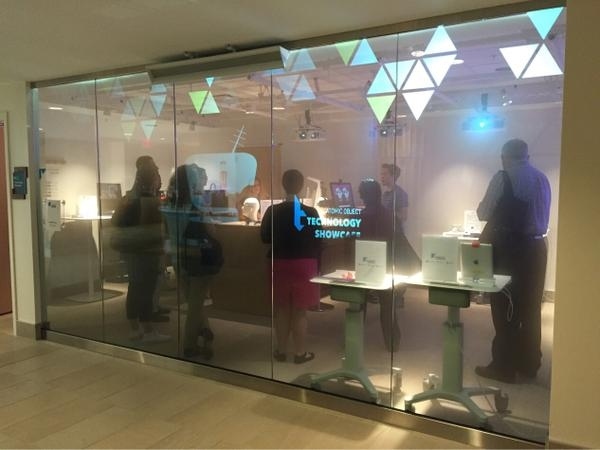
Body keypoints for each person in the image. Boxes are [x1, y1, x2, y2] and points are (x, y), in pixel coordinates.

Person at [475, 138, 551, 383]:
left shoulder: (503, 177)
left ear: (504, 157)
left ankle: (503, 367)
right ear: (527, 156)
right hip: (537, 248)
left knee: (504, 307)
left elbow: (483, 213)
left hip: (509, 250)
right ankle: (529, 363)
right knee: (531, 308)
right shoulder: (542, 178)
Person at [260, 169, 322, 364]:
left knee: (282, 309)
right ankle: (300, 353)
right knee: (300, 310)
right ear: (301, 186)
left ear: (283, 184)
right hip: (304, 263)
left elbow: (264, 238)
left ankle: (281, 351)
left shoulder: (273, 211)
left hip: (279, 262)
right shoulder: (311, 212)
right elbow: (318, 239)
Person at [111, 155, 169, 343]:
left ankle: (135, 328)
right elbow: (154, 232)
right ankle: (146, 329)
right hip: (145, 252)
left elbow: (116, 222)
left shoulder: (129, 197)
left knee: (135, 287)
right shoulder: (149, 200)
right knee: (145, 290)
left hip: (131, 250)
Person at [165, 164, 216, 359]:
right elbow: (211, 232)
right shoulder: (198, 205)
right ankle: (189, 345)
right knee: (195, 305)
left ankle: (206, 331)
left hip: (178, 257)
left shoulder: (169, 204)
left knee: (193, 301)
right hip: (197, 258)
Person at [358, 178, 401, 352]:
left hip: (364, 263)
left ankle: (354, 341)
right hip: (386, 263)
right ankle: (392, 342)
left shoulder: (363, 216)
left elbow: (357, 242)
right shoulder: (389, 215)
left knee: (358, 305)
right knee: (387, 306)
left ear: (364, 196)